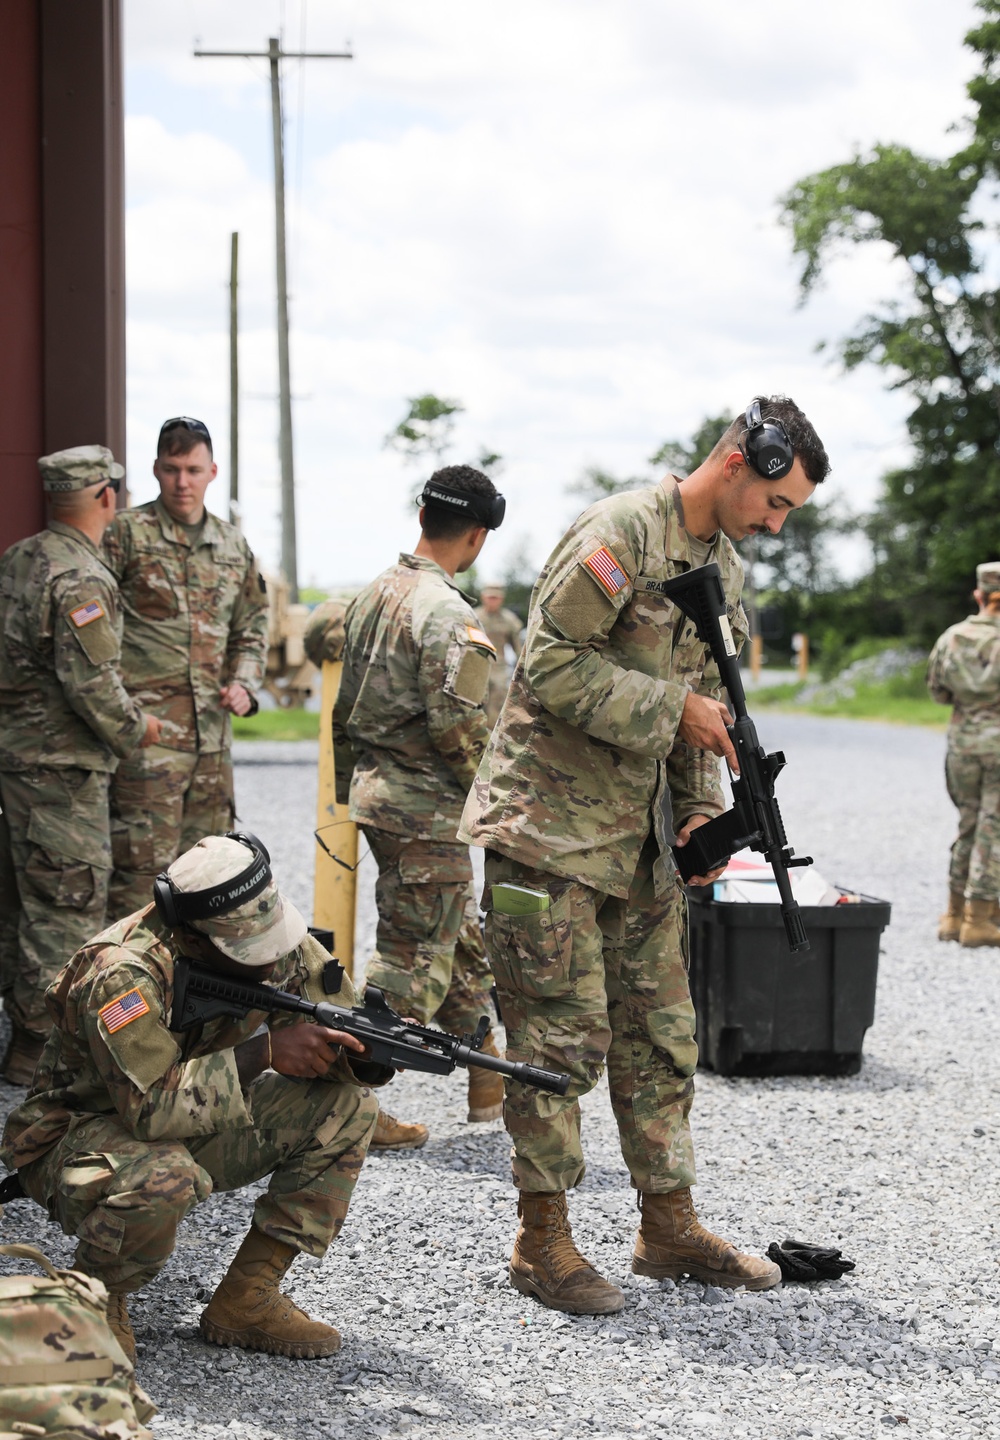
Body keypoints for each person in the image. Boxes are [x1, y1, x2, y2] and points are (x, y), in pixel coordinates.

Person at [459, 397, 830, 1314]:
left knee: (664, 1035)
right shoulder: (622, 530)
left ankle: (667, 1227)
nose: (777, 524)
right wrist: (673, 710)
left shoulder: (723, 567)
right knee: (558, 1033)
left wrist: (703, 824)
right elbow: (547, 662)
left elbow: (710, 707)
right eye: (777, 502)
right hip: (545, 832)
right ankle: (540, 1239)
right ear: (743, 458)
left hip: (640, 840)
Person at [0, 832, 386, 1365]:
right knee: (167, 1174)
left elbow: (335, 1014)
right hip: (76, 1133)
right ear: (197, 940)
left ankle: (246, 1298)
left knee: (346, 1108)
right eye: (253, 953)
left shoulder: (262, 929)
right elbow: (151, 1107)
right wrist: (266, 1052)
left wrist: (366, 1053)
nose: (274, 964)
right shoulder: (122, 974)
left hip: (190, 1119)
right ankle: (92, 1299)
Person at [333, 465, 506, 1150]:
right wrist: (497, 802)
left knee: (456, 933)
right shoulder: (449, 615)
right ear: (478, 535)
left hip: (382, 798)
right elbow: (457, 729)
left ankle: (486, 1074)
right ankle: (340, 1103)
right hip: (426, 811)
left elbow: (344, 709)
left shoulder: (373, 594)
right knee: (408, 962)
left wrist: (356, 783)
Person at [0, 446, 161, 1087]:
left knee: (21, 905)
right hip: (62, 770)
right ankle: (40, 1055)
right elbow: (91, 684)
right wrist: (137, 728)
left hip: (19, 761)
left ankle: (22, 1041)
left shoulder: (18, 559)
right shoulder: (81, 577)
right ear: (106, 496)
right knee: (63, 909)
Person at [103, 417, 270, 920]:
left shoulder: (232, 544)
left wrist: (244, 681)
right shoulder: (126, 536)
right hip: (149, 743)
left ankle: (195, 989)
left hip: (211, 744)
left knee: (210, 871)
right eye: (172, 469)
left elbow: (252, 625)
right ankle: (126, 987)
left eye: (193, 470)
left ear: (212, 471)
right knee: (138, 875)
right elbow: (95, 632)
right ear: (155, 469)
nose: (182, 482)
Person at [927, 561, 1000, 947]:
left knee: (970, 824)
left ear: (978, 595)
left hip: (962, 747)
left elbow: (938, 693)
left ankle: (953, 916)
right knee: (995, 828)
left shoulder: (953, 637)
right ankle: (980, 919)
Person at [474, 585, 525, 727]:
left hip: (499, 667)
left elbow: (519, 649)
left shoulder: (509, 619)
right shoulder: (473, 616)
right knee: (474, 703)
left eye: (495, 598)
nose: (492, 601)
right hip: (476, 665)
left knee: (498, 704)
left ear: (501, 599)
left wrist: (522, 670)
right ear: (483, 597)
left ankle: (492, 737)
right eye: (490, 597)